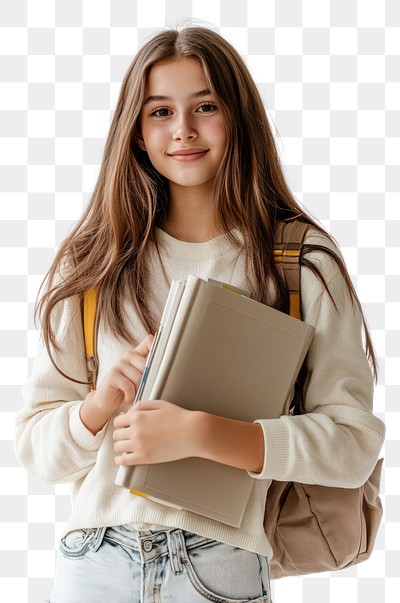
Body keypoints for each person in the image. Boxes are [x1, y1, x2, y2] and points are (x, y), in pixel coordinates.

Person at [15, 25, 385, 603]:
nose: (182, 129)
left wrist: (205, 435)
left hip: (219, 565)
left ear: (239, 119)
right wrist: (97, 408)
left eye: (205, 106)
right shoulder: (95, 262)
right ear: (135, 134)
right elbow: (35, 450)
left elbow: (352, 443)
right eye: (159, 111)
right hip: (94, 561)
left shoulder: (297, 259)